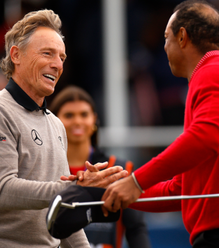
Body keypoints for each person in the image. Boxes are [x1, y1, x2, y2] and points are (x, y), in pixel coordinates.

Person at [101, 0, 219, 247]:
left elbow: (204, 138)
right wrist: (120, 190)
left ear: (182, 37)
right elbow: (183, 190)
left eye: (166, 37)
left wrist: (136, 181)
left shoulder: (215, 71)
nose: (164, 46)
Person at [0, 9, 127, 248]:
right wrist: (78, 188)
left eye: (62, 58)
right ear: (16, 55)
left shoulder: (56, 124)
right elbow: (3, 191)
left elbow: (62, 212)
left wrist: (76, 194)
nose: (57, 65)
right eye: (47, 53)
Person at [50, 85, 152, 248]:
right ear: (55, 121)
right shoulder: (44, 169)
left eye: (84, 114)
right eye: (69, 115)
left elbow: (136, 228)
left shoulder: (118, 169)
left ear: (94, 120)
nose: (77, 121)